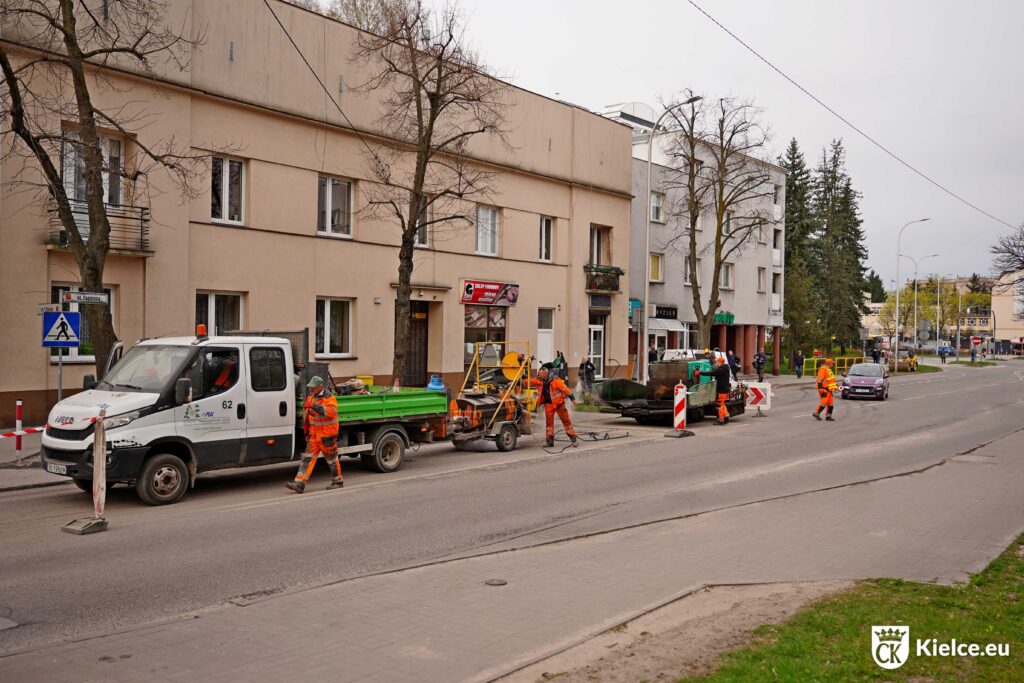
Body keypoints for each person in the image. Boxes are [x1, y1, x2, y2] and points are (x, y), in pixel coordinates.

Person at [286, 376, 344, 493]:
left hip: (327, 436)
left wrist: (314, 406)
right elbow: (307, 417)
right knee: (307, 459)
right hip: (314, 436)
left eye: (313, 387)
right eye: (310, 387)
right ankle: (299, 483)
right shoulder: (311, 397)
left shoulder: (329, 398)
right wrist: (306, 432)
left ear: (320, 386)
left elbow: (331, 412)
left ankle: (338, 481)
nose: (311, 389)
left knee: (331, 460)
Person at [529, 364, 577, 447]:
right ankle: (550, 442)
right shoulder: (539, 380)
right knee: (549, 424)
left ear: (545, 374)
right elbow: (530, 381)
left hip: (559, 404)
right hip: (549, 404)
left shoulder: (556, 380)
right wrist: (519, 381)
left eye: (540, 374)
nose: (538, 375)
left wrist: (572, 397)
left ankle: (573, 439)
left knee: (566, 421)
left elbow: (565, 389)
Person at [696, 356, 732, 425]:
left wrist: (699, 373)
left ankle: (721, 419)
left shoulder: (720, 370)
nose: (716, 363)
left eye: (717, 362)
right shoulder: (726, 368)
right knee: (722, 404)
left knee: (719, 405)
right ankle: (726, 417)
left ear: (719, 362)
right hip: (725, 389)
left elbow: (710, 373)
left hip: (721, 390)